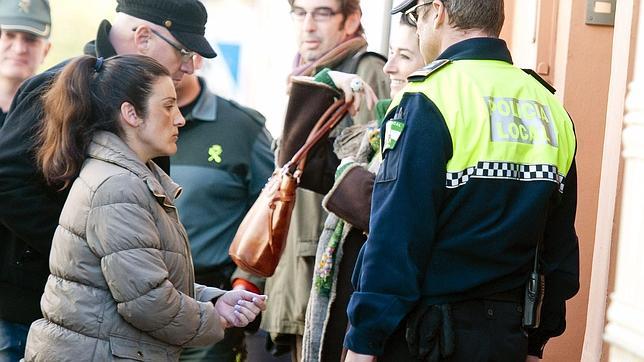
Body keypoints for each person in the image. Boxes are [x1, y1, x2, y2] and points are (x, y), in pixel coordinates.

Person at [344, 0, 579, 361]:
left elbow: (396, 237)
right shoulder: (549, 109)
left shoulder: (427, 98)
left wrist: (364, 340)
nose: (420, 29)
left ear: (437, 12)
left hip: (426, 337)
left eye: (418, 16)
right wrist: (536, 342)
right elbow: (559, 249)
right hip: (507, 337)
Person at [0, 2, 213, 360]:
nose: (189, 66)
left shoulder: (150, 95)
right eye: (184, 50)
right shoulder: (58, 88)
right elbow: (6, 181)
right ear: (144, 37)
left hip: (113, 321)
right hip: (37, 312)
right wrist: (84, 248)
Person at [23, 54, 266, 361]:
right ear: (131, 114)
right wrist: (212, 318)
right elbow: (148, 303)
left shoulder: (129, 177)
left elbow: (148, 279)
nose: (180, 118)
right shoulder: (118, 187)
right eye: (168, 106)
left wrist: (216, 299)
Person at [261, 1, 389, 360]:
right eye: (300, 13)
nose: (308, 25)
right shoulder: (306, 73)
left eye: (321, 13)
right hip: (294, 268)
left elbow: (370, 172)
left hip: (328, 273)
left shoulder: (366, 72)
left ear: (351, 20)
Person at [302, 8, 426, 361]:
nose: (388, 67)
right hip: (346, 304)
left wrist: (347, 177)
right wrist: (329, 81)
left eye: (404, 56)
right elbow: (303, 162)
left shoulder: (418, 131)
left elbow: (388, 215)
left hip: (381, 322)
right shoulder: (377, 131)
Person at [172, 67, 274, 361]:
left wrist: (246, 282)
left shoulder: (242, 127)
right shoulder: (123, 121)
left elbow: (269, 216)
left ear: (193, 58)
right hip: (141, 302)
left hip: (214, 307)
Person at [0, 0, 51, 359]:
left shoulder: (58, 119)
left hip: (28, 300)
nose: (19, 47)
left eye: (31, 39)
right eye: (8, 35)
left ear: (46, 48)